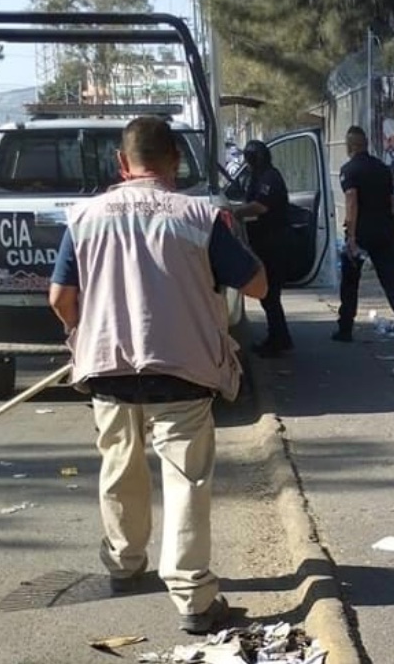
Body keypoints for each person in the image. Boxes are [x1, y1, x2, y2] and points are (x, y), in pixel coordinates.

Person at [48, 116, 267, 635]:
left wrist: (82, 330)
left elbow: (60, 299)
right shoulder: (199, 216)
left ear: (122, 165)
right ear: (175, 161)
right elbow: (256, 286)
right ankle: (192, 597)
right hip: (182, 369)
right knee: (185, 478)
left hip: (108, 368)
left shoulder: (84, 217)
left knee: (120, 465)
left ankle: (124, 563)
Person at [333, 125, 394, 350]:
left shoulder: (349, 170)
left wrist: (351, 236)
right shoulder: (382, 168)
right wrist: (392, 230)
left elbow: (352, 202)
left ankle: (345, 328)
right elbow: (392, 202)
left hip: (361, 232)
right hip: (383, 232)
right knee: (391, 282)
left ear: (351, 146)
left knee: (350, 282)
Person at [231, 139, 293, 357]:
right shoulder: (259, 176)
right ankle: (280, 337)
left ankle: (277, 340)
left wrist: (236, 213)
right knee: (270, 297)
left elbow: (261, 206)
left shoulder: (269, 177)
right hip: (265, 241)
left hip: (273, 243)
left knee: (270, 295)